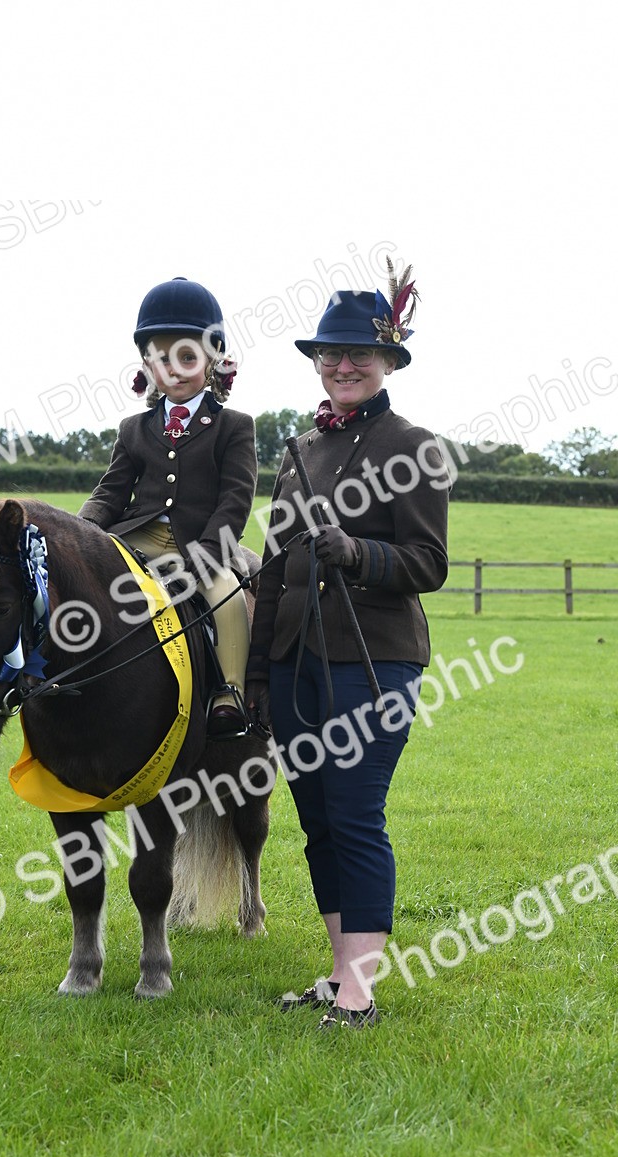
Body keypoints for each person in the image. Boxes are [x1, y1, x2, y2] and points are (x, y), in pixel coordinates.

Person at [245, 264, 449, 1028]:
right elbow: (270, 571)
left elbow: (429, 564)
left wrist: (357, 552)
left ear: (389, 360)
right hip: (297, 664)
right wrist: (258, 672)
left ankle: (362, 992)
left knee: (357, 813)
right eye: (330, 354)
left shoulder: (416, 447)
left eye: (359, 353)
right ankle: (338, 975)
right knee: (319, 818)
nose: (343, 365)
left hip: (375, 662)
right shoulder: (297, 450)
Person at [79, 277, 257, 737]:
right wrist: (78, 533)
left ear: (213, 357)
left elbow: (235, 501)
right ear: (146, 363)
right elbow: (111, 493)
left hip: (202, 541)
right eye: (161, 359)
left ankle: (229, 693)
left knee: (228, 598)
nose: (174, 370)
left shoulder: (234, 427)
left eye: (187, 357)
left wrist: (208, 555)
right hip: (137, 536)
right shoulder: (133, 428)